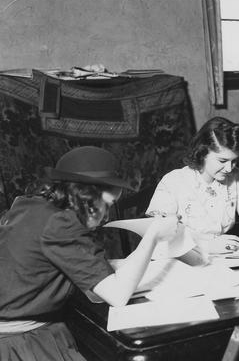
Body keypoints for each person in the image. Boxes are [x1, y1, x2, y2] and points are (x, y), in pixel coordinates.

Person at [0, 146, 177, 361]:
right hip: (21, 342)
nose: (106, 216)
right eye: (109, 204)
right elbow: (117, 296)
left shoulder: (29, 205)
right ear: (87, 195)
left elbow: (56, 265)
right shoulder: (61, 224)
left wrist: (122, 266)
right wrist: (153, 234)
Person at [146, 117, 239, 257]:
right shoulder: (174, 182)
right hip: (178, 259)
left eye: (234, 161)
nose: (229, 168)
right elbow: (160, 236)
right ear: (203, 152)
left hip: (219, 258)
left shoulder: (236, 177)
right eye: (222, 161)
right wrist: (207, 245)